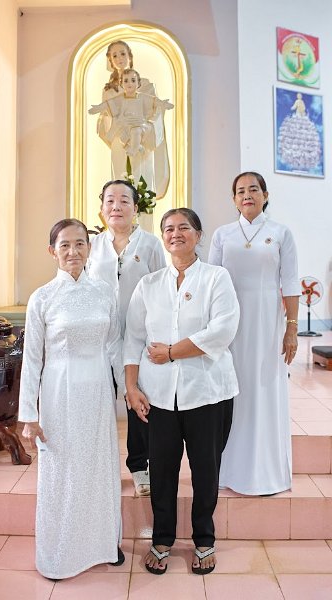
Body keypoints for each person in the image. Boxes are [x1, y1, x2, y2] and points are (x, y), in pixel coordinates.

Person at [124, 208, 239, 575]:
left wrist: (173, 352)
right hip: (158, 396)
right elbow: (133, 338)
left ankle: (204, 539)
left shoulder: (217, 278)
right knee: (161, 470)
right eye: (169, 228)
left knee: (206, 469)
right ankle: (162, 539)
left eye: (184, 227)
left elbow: (223, 330)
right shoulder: (149, 284)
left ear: (198, 235)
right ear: (163, 237)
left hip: (208, 393)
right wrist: (131, 386)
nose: (176, 233)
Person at [18, 218, 124, 579]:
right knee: (62, 469)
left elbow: (115, 345)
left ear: (89, 249)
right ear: (52, 251)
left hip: (97, 389)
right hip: (59, 392)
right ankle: (60, 554)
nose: (73, 251)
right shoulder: (43, 298)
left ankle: (103, 544)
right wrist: (29, 415)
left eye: (80, 244)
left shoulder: (104, 292)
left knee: (98, 465)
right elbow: (32, 360)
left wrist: (128, 388)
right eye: (65, 245)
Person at [208, 172, 300, 495]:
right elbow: (211, 280)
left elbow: (290, 282)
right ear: (234, 199)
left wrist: (291, 328)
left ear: (265, 195)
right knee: (232, 390)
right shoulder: (223, 235)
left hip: (267, 324)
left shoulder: (280, 233)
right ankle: (227, 469)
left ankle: (266, 471)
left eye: (253, 189)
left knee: (263, 387)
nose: (247, 195)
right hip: (229, 322)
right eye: (240, 191)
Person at [87, 179, 166, 496]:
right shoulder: (92, 245)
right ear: (102, 208)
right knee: (98, 401)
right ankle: (99, 467)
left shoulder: (150, 244)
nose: (116, 206)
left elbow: (162, 289)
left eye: (123, 200)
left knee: (139, 401)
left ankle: (139, 467)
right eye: (110, 200)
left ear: (136, 208)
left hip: (140, 337)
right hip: (100, 337)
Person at [96, 40, 171, 198]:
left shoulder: (145, 85)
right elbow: (105, 118)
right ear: (110, 61)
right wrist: (120, 129)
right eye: (114, 56)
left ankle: (143, 207)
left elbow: (155, 111)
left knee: (142, 179)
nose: (119, 58)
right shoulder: (109, 91)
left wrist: (143, 128)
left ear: (130, 56)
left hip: (142, 137)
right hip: (119, 139)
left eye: (122, 53)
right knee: (120, 177)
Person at [89, 69, 173, 160]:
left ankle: (133, 149)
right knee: (121, 136)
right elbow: (109, 103)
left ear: (138, 83)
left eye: (133, 80)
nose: (129, 83)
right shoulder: (120, 98)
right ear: (121, 84)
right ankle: (136, 147)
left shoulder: (142, 97)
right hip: (124, 125)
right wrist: (98, 108)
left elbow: (154, 101)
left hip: (139, 124)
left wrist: (164, 104)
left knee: (135, 131)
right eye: (126, 81)